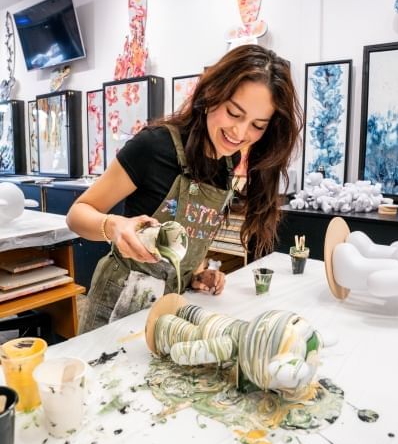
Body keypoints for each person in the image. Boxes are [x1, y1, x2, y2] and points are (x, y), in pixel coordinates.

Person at [66, 44, 303, 333]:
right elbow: (77, 213)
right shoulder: (154, 146)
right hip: (120, 304)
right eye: (233, 113)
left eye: (258, 125)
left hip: (173, 311)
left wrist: (197, 274)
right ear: (212, 94)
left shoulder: (228, 162)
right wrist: (113, 226)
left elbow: (189, 237)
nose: (240, 133)